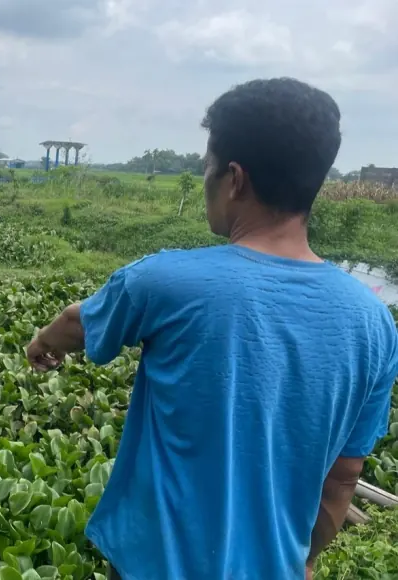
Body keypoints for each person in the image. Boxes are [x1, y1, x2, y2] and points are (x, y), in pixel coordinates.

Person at [26, 77, 398, 580]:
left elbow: (79, 323)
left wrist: (44, 345)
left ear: (234, 179)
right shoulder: (373, 321)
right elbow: (343, 479)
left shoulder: (163, 278)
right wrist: (303, 559)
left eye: (207, 165)